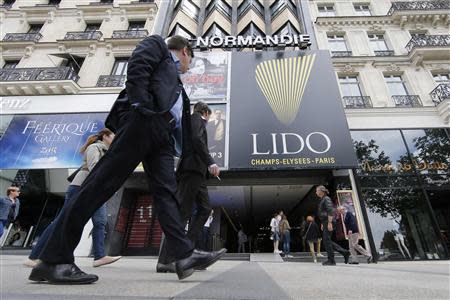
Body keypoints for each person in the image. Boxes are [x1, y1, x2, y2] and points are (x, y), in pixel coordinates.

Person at [28, 35, 226, 284]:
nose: (188, 69)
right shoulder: (157, 46)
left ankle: (184, 255)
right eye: (190, 62)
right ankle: (54, 260)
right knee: (100, 185)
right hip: (143, 123)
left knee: (167, 194)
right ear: (185, 51)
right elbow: (137, 67)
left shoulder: (179, 87)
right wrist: (142, 107)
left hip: (162, 140)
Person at [25, 128, 121, 268]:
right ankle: (34, 256)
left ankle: (99, 256)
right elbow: (95, 167)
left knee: (100, 222)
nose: (116, 138)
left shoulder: (108, 151)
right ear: (105, 136)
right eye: (114, 135)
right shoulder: (95, 147)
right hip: (81, 187)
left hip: (96, 190)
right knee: (61, 221)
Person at [156, 101, 220, 272]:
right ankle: (166, 261)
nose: (208, 119)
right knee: (182, 214)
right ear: (205, 112)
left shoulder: (196, 120)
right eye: (209, 115)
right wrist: (210, 162)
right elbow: (197, 139)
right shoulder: (196, 118)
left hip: (198, 174)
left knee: (205, 209)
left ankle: (187, 253)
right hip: (191, 171)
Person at [316, 185, 350, 266]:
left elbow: (330, 211)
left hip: (329, 221)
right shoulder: (322, 199)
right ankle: (344, 252)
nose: (316, 192)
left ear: (321, 191)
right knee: (326, 241)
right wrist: (322, 223)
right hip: (325, 221)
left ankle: (331, 260)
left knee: (326, 241)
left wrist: (329, 222)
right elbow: (324, 212)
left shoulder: (326, 199)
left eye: (317, 190)